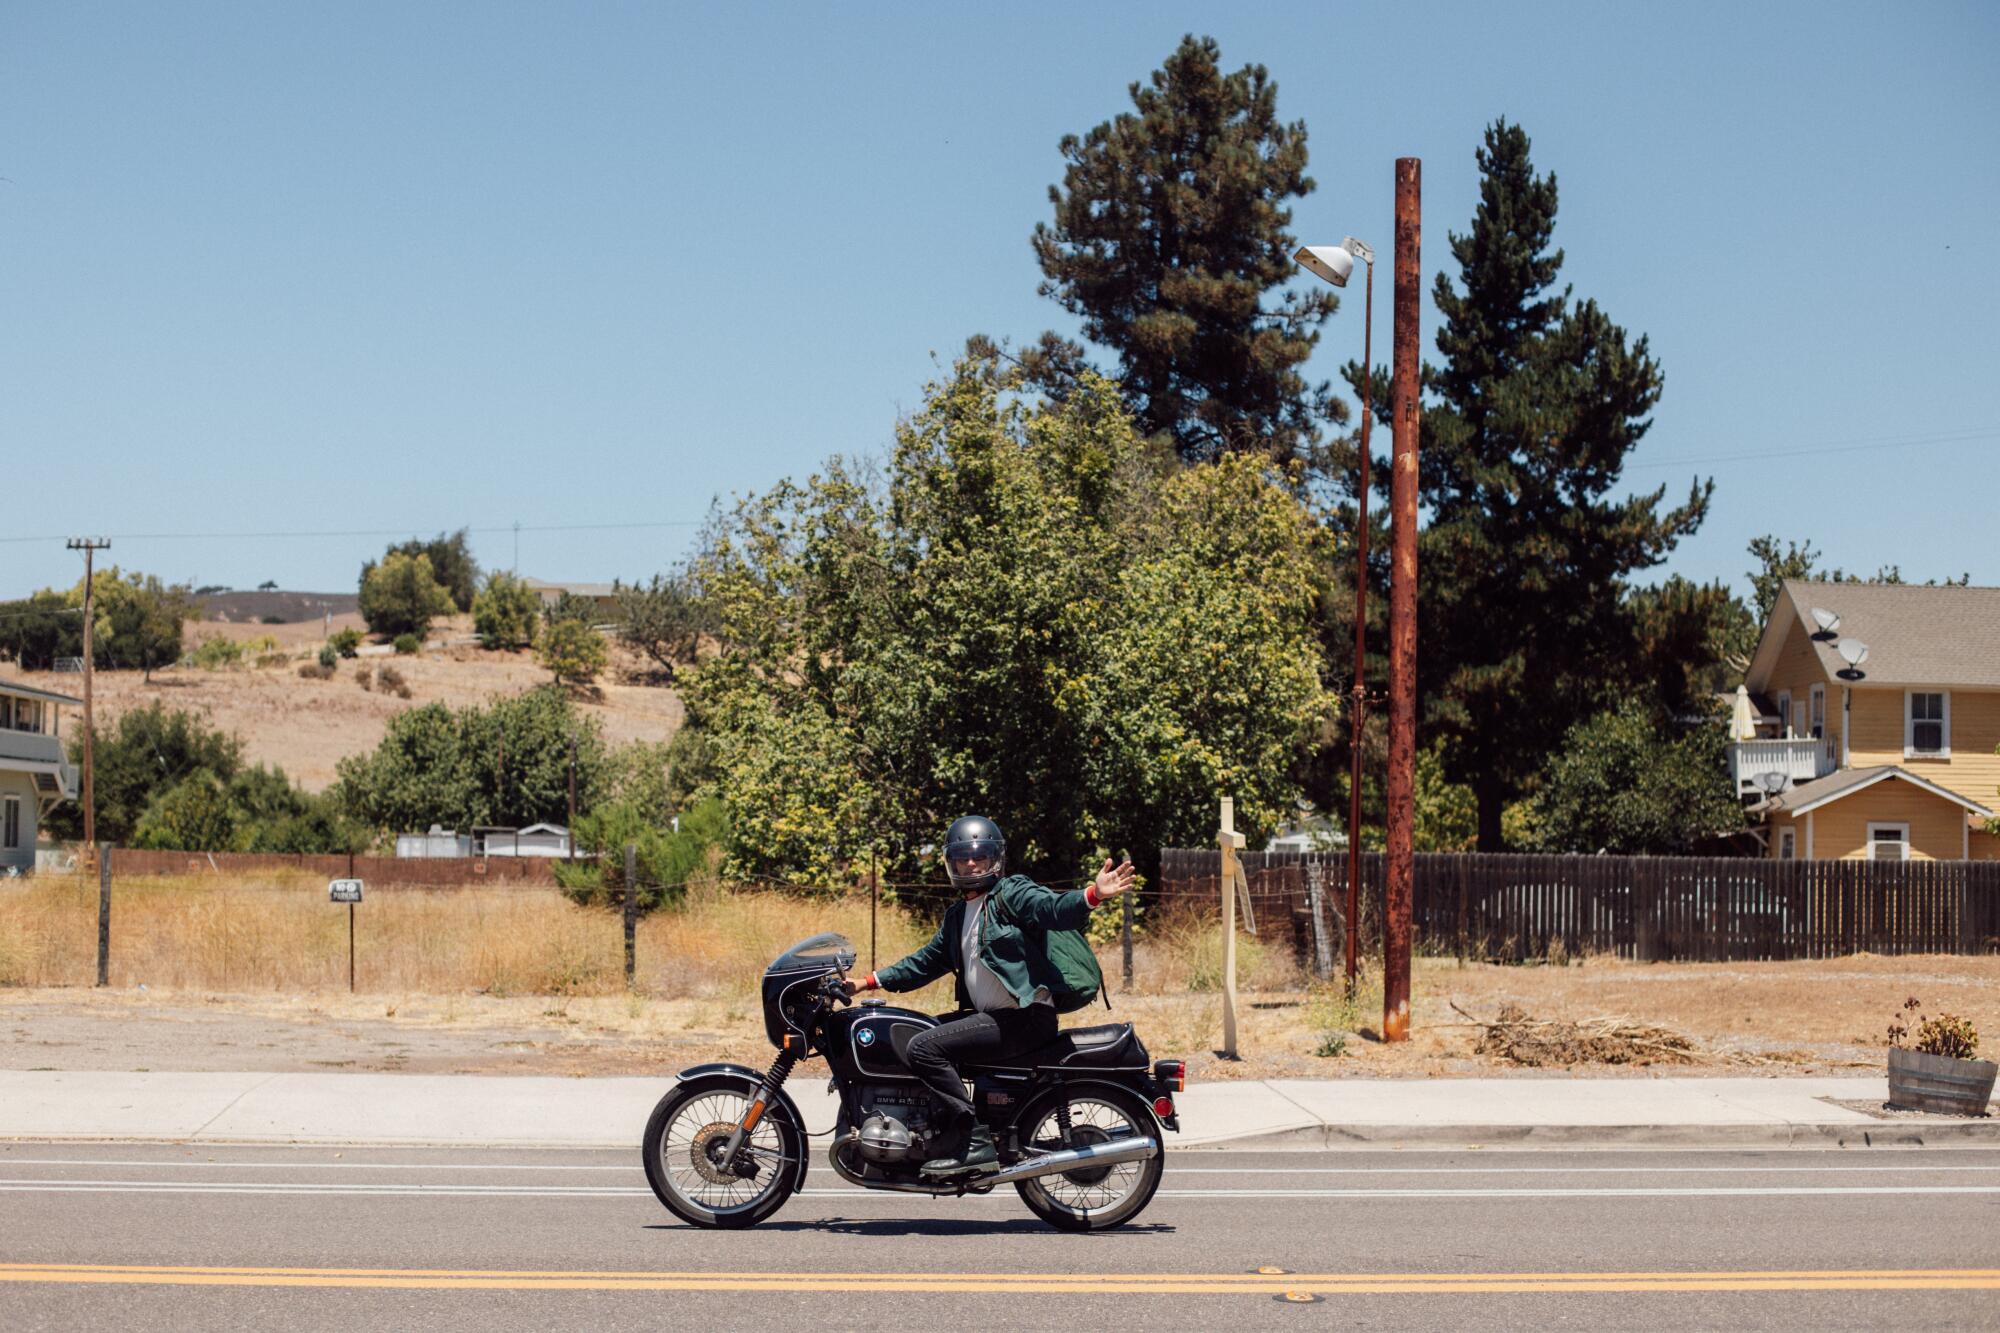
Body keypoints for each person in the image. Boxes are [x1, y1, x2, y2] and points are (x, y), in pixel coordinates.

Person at [844, 815, 1134, 1177]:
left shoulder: (1010, 894)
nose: (970, 863)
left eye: (979, 857)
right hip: (996, 1020)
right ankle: (937, 1133)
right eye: (962, 857)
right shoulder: (957, 916)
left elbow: (1052, 909)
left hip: (1022, 1019)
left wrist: (1091, 896)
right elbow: (924, 962)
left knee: (924, 1047)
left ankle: (973, 1140)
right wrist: (866, 982)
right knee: (918, 1031)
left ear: (995, 860)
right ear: (951, 862)